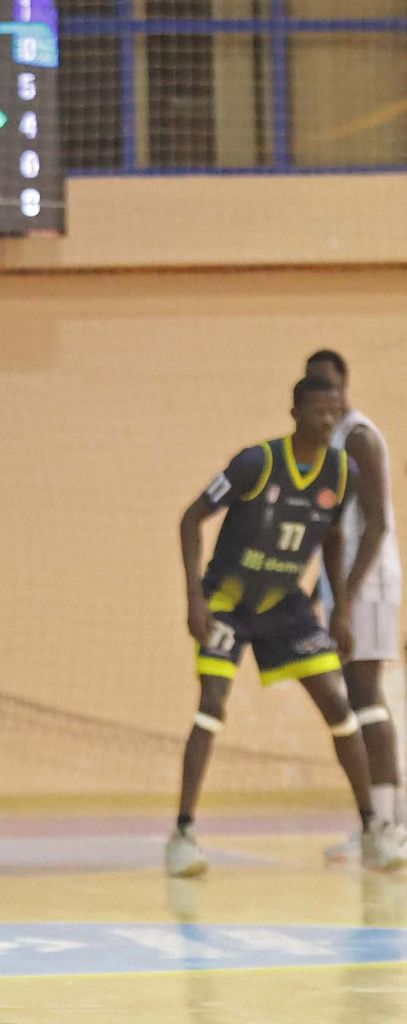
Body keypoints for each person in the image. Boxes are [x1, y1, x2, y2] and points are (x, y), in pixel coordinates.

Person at [167, 374, 406, 877]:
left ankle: (372, 831)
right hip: (228, 601)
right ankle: (183, 835)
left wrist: (340, 609)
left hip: (284, 605)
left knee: (340, 707)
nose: (328, 420)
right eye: (319, 411)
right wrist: (194, 597)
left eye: (335, 411)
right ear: (296, 412)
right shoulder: (257, 463)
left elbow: (335, 537)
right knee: (211, 704)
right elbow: (191, 519)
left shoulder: (343, 471)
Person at [304, 350, 407, 860]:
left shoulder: (360, 437)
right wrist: (316, 590)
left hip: (368, 585)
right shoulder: (328, 444)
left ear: (345, 385)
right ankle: (376, 821)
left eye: (332, 384)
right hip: (342, 589)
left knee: (366, 693)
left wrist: (344, 602)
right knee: (356, 694)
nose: (328, 393)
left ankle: (389, 824)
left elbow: (377, 526)